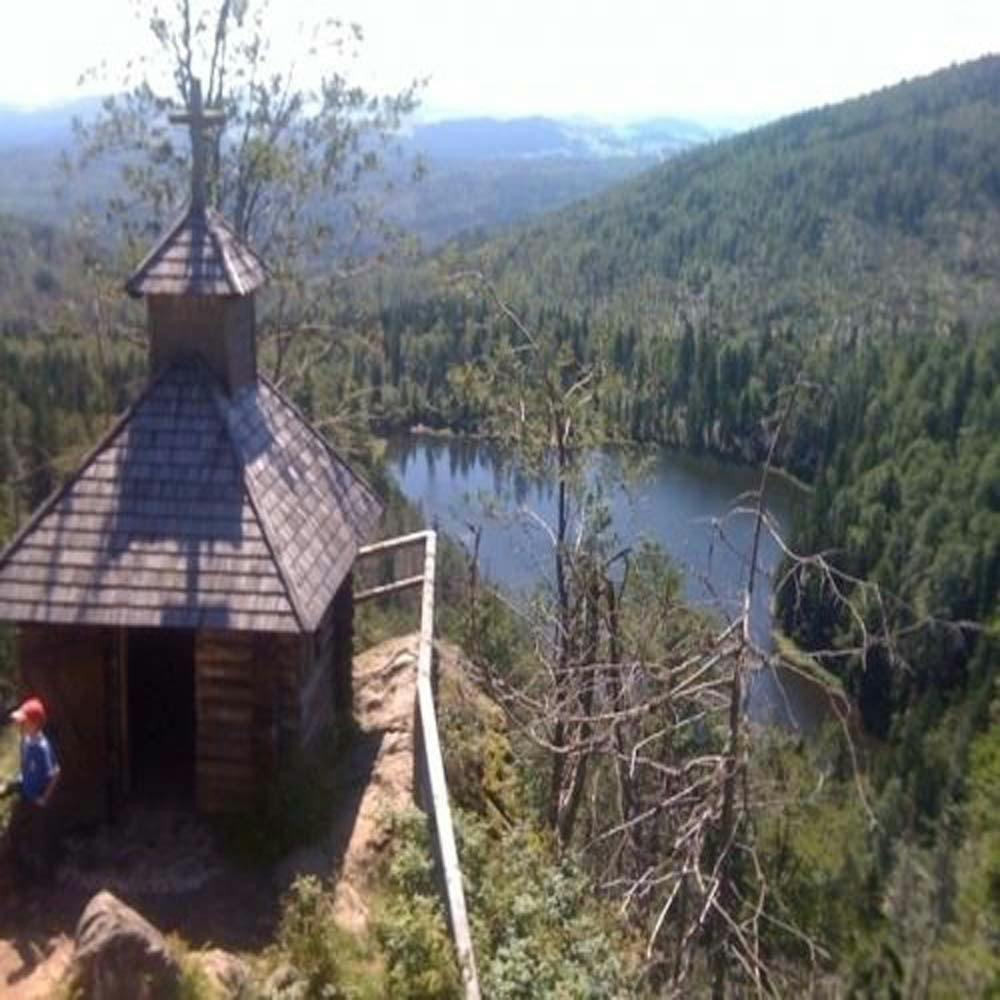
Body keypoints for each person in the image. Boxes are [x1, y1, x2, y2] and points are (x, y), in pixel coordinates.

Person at [2, 696, 61, 885]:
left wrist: (44, 798)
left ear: (34, 723)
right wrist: (12, 785)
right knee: (15, 833)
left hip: (38, 802)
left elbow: (55, 773)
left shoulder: (42, 747)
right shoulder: (26, 741)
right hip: (26, 794)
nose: (20, 725)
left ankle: (46, 880)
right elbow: (26, 770)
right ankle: (20, 874)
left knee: (41, 840)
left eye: (23, 722)